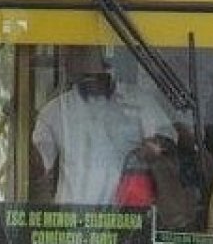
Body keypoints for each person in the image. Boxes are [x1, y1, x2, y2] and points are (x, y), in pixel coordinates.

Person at [30, 45, 176, 207]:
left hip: (126, 220)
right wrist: (23, 123)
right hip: (70, 223)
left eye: (96, 73)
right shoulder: (56, 110)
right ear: (69, 66)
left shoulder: (140, 102)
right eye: (78, 57)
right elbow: (38, 168)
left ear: (109, 65)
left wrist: (154, 148)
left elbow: (169, 141)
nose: (91, 77)